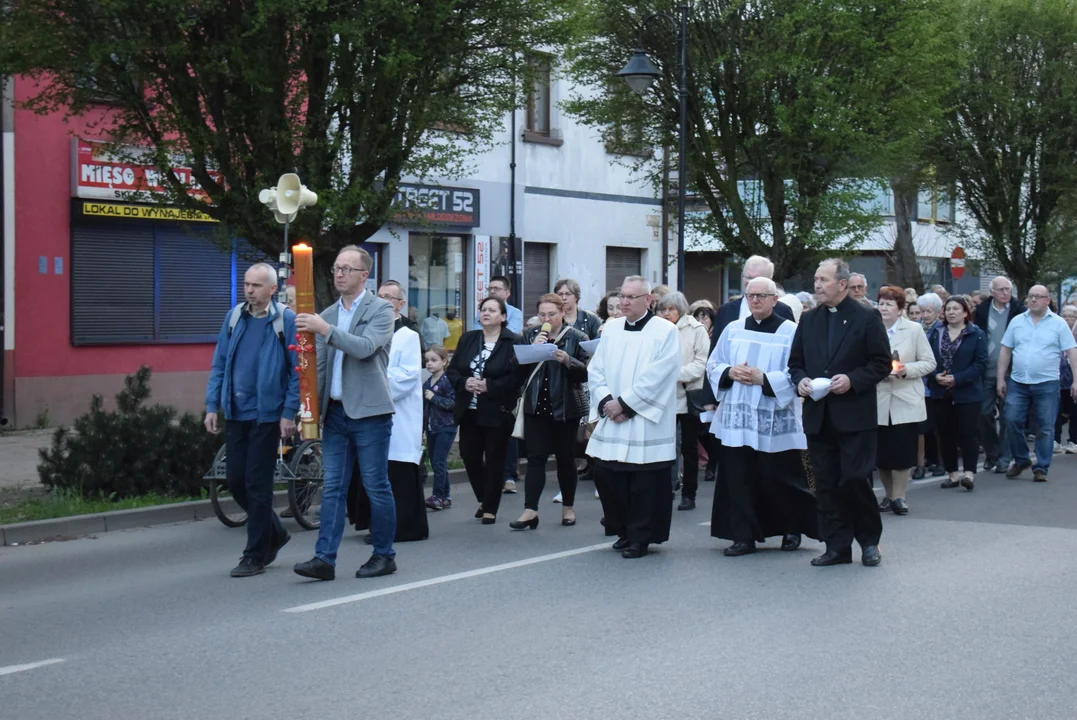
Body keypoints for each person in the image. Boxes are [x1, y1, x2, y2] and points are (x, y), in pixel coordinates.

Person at [293, 246, 397, 581]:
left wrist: (324, 329)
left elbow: (365, 349)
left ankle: (384, 554)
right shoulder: (328, 313)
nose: (339, 274)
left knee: (375, 486)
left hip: (370, 413)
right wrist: (308, 409)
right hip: (336, 414)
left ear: (364, 275)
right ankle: (324, 558)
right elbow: (319, 368)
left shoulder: (381, 309)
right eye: (337, 268)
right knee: (333, 487)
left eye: (347, 269)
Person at [789, 258, 891, 567]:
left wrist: (852, 380)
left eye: (823, 279)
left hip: (854, 416)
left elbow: (881, 363)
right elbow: (795, 363)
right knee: (827, 483)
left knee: (855, 479)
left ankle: (869, 541)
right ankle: (836, 545)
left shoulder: (866, 317)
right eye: (816, 279)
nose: (817, 285)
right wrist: (801, 381)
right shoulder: (808, 320)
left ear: (843, 285)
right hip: (819, 417)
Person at [706, 277, 819, 556]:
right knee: (738, 477)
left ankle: (791, 529)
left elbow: (798, 370)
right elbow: (714, 363)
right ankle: (743, 535)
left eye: (761, 295)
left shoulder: (791, 331)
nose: (755, 300)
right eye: (750, 295)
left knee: (778, 477)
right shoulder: (733, 329)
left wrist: (763, 379)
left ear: (774, 300)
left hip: (773, 417)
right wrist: (729, 373)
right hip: (738, 417)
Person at [205, 263, 298, 578]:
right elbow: (220, 364)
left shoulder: (285, 320)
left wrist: (289, 412)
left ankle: (255, 554)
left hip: (267, 415)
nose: (249, 290)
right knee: (235, 481)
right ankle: (276, 532)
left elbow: (297, 370)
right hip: (236, 412)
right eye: (247, 284)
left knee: (257, 485)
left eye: (257, 285)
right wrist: (212, 405)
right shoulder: (234, 318)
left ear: (273, 289)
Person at [586, 276, 681, 559]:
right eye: (622, 296)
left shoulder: (665, 331)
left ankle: (641, 537)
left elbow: (661, 376)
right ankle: (623, 530)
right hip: (612, 416)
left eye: (631, 297)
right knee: (609, 477)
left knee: (644, 484)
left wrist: (626, 405)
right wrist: (605, 401)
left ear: (648, 300)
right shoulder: (611, 329)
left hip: (643, 420)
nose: (624, 302)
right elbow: (596, 369)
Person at [348, 283, 428, 543]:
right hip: (368, 410)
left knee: (396, 472)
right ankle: (374, 523)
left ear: (400, 304)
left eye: (387, 297)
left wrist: (375, 383)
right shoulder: (368, 329)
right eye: (378, 296)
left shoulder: (407, 335)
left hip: (398, 412)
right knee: (372, 470)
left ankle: (402, 527)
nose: (381, 301)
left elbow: (407, 376)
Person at [510, 293, 590, 530]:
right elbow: (515, 369)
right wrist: (530, 351)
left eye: (552, 314)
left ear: (563, 313)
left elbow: (586, 372)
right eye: (543, 314)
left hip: (565, 408)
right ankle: (530, 509)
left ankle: (568, 507)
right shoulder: (530, 334)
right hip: (536, 406)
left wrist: (568, 360)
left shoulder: (577, 337)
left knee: (565, 458)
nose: (546, 319)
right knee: (535, 458)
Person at [447, 296, 523, 522]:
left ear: (503, 317)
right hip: (469, 409)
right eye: (483, 309)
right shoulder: (469, 339)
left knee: (494, 459)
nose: (486, 313)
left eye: (492, 310)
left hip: (496, 410)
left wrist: (490, 385)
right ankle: (484, 497)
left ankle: (490, 507)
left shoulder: (513, 342)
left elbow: (516, 379)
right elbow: (452, 372)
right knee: (469, 456)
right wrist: (465, 383)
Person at [996, 285, 1077, 482]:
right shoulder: (1017, 321)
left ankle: (1041, 467)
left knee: (1045, 426)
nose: (1034, 300)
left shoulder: (1058, 324)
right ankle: (1022, 458)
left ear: (1047, 300)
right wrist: (1000, 378)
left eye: (1039, 297)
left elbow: (1071, 351)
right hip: (1018, 380)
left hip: (1047, 382)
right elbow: (1006, 350)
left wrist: (1076, 380)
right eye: (1031, 296)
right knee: (1012, 419)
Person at [874, 286, 936, 515]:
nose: (884, 308)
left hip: (904, 397)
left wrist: (905, 370)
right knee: (882, 454)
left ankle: (899, 496)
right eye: (881, 303)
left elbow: (929, 362)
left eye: (889, 304)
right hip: (879, 397)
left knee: (902, 451)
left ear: (900, 308)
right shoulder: (872, 329)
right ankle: (888, 495)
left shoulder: (913, 330)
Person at [926, 295, 987, 492]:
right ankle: (952, 474)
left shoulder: (975, 334)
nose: (951, 312)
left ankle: (968, 473)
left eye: (956, 309)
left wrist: (958, 378)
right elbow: (926, 359)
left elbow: (980, 363)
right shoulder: (936, 332)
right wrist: (935, 376)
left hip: (967, 392)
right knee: (945, 433)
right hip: (940, 391)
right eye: (948, 309)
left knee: (968, 433)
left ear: (965, 312)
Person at [656, 292, 709, 511]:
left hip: (687, 394)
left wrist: (673, 374)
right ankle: (666, 488)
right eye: (663, 309)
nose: (667, 314)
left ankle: (689, 494)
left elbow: (701, 363)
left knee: (688, 448)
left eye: (671, 309)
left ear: (681, 309)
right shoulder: (656, 329)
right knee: (664, 446)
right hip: (663, 395)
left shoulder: (696, 330)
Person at [972, 276, 1023, 473]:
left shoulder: (1019, 311)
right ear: (992, 292)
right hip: (986, 370)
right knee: (984, 414)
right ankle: (991, 453)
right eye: (1000, 289)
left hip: (1011, 371)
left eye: (1007, 289)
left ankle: (1005, 456)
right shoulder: (982, 311)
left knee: (1007, 416)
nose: (1004, 293)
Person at [488, 275, 524, 493]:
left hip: (507, 374)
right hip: (485, 376)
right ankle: (493, 473)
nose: (492, 292)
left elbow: (511, 336)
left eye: (497, 288)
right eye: (490, 288)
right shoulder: (481, 311)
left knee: (508, 428)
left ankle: (509, 475)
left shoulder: (515, 314)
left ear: (507, 293)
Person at [913, 292, 945, 479]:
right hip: (919, 383)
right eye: (922, 311)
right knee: (920, 428)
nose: (925, 315)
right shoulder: (915, 329)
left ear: (937, 312)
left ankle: (940, 461)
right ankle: (920, 463)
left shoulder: (942, 330)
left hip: (936, 382)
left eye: (929, 311)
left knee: (936, 426)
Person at [423, 346, 456, 510]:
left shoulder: (447, 381)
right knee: (437, 462)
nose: (429, 364)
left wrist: (434, 397)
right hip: (431, 427)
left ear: (444, 361)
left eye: (434, 360)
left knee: (438, 461)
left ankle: (438, 495)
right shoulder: (427, 383)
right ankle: (446, 496)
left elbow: (452, 404)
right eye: (427, 360)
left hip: (446, 426)